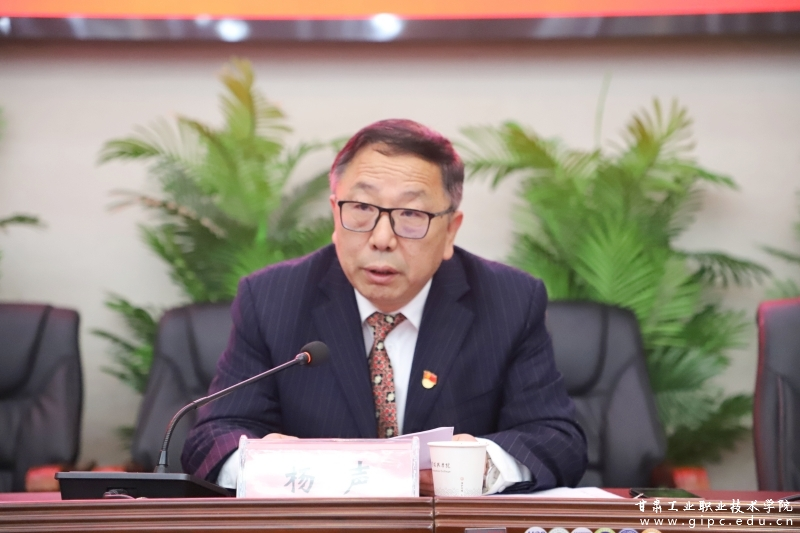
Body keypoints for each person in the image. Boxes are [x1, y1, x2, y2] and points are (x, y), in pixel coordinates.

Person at [182, 119, 587, 494]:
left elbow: (557, 439)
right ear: (335, 215)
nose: (381, 238)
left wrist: (482, 465)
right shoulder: (272, 298)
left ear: (450, 231)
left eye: (410, 214)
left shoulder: (509, 301)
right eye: (361, 208)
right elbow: (212, 438)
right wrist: (267, 462)